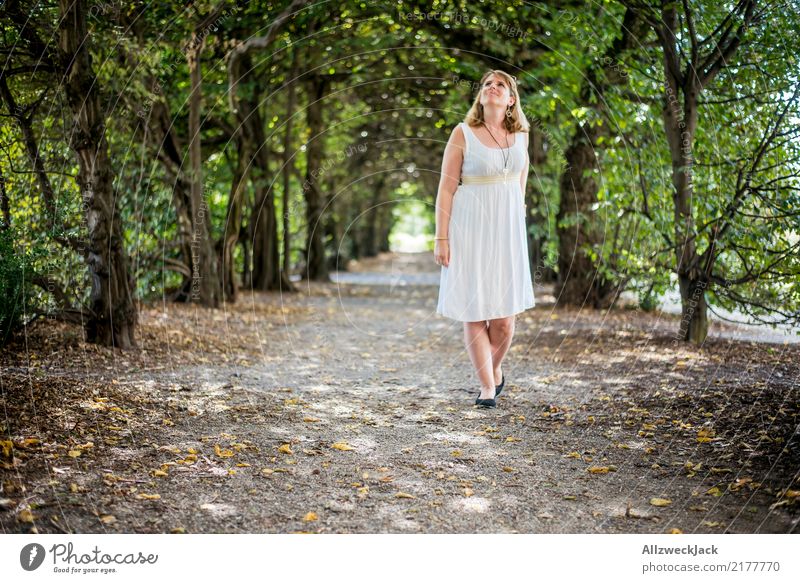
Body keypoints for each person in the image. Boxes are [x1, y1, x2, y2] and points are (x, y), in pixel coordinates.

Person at [434, 70, 535, 408]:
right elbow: (446, 189)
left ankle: (492, 370)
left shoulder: (522, 136)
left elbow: (520, 186)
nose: (493, 88)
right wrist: (441, 238)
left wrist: (516, 223)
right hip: (469, 229)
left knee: (505, 321)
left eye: (501, 85)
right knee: (474, 310)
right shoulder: (462, 134)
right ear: (481, 97)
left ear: (511, 100)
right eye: (487, 84)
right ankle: (487, 389)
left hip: (506, 233)